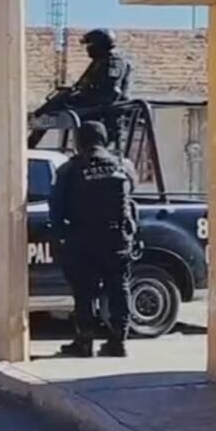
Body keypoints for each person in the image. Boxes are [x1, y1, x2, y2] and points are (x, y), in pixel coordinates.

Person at [49, 121, 138, 358]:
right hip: (117, 237)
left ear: (79, 142)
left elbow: (57, 208)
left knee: (84, 290)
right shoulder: (123, 165)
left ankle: (84, 341)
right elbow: (132, 193)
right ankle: (119, 341)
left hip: (83, 237)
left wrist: (59, 238)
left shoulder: (70, 169)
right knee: (119, 287)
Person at [29, 28, 133, 148]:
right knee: (58, 102)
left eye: (90, 45)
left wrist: (80, 96)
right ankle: (35, 124)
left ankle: (34, 124)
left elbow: (111, 92)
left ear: (99, 45)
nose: (87, 49)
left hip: (102, 110)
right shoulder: (101, 60)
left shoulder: (113, 62)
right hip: (93, 105)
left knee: (58, 104)